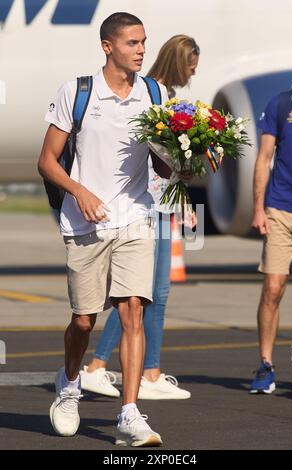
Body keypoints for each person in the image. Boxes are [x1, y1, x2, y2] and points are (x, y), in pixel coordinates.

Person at [37, 12, 183, 447]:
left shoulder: (154, 92)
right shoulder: (78, 92)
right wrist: (79, 192)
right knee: (83, 321)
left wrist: (184, 157)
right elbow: (46, 161)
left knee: (132, 309)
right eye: (132, 43)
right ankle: (68, 385)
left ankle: (130, 413)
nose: (141, 50)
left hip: (136, 216)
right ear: (107, 46)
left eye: (143, 42)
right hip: (85, 222)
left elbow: (162, 163)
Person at [80, 35, 200, 400]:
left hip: (163, 203)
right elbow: (157, 158)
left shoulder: (162, 95)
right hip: (150, 204)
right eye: (191, 63)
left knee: (150, 294)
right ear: (179, 62)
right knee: (143, 294)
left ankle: (146, 370)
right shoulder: (156, 97)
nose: (195, 70)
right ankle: (101, 366)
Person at [250, 62, 292, 394]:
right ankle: (266, 364)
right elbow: (264, 157)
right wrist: (258, 208)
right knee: (273, 289)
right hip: (280, 208)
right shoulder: (281, 103)